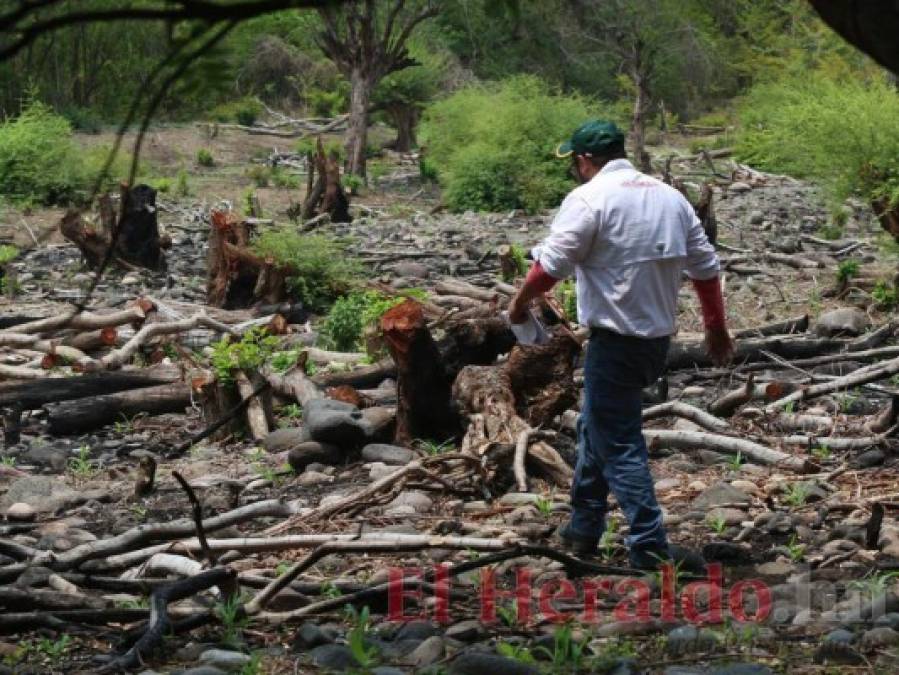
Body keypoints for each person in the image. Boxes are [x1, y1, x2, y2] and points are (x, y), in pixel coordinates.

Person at [508, 120, 734, 571]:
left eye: (574, 162)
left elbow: (550, 268)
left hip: (615, 342)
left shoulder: (589, 199)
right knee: (597, 427)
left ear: (584, 160)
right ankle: (584, 527)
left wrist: (518, 304)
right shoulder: (669, 197)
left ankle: (649, 543)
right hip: (655, 343)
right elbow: (706, 268)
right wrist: (715, 328)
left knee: (620, 441)